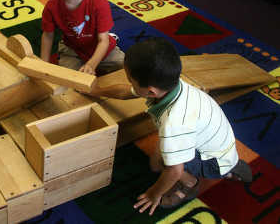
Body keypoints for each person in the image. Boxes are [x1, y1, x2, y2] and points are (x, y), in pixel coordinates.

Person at [97, 37, 252, 215]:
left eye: (130, 80)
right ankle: (229, 164)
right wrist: (95, 89)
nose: (129, 84)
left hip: (213, 162)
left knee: (161, 160)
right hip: (218, 145)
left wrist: (154, 194)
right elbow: (125, 91)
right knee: (161, 156)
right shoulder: (172, 85)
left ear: (151, 92)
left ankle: (190, 183)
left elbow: (174, 170)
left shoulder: (174, 123)